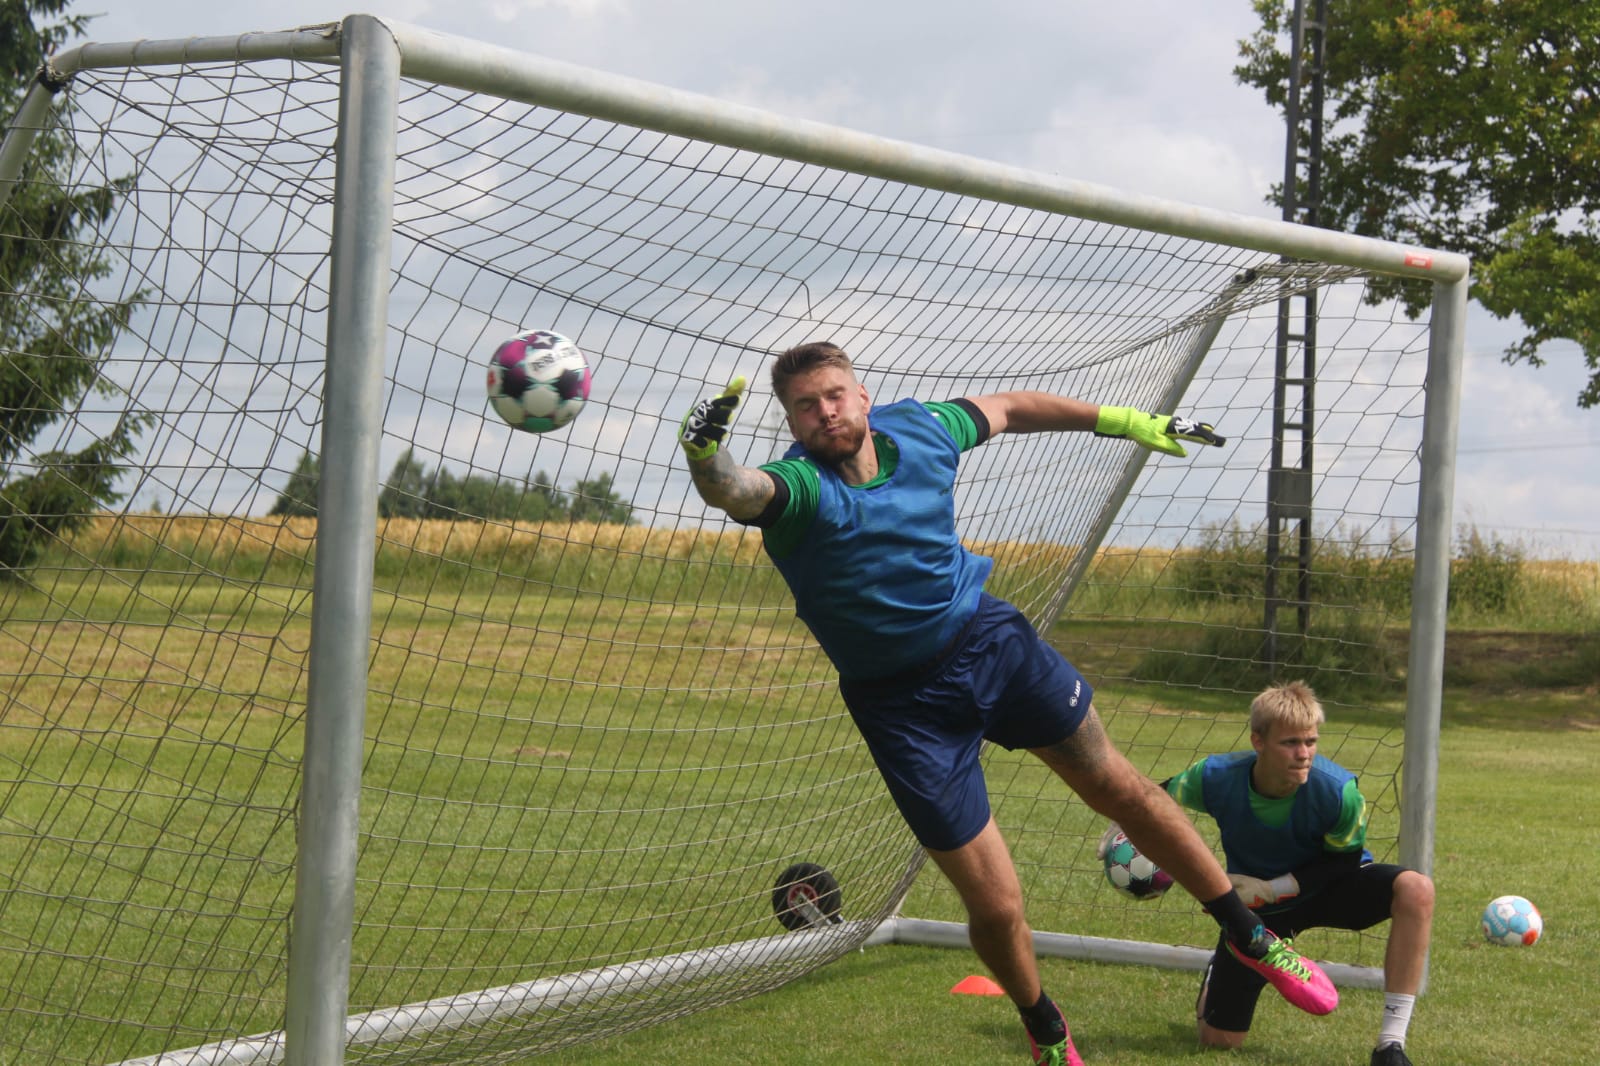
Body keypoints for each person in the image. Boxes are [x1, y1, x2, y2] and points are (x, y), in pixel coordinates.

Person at [677, 341, 1337, 1065]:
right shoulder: (801, 488)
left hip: (992, 647)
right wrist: (705, 455)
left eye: (835, 395)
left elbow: (1015, 408)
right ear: (792, 422)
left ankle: (1249, 935)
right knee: (995, 905)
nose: (825, 412)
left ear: (863, 396)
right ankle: (1045, 1027)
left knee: (1122, 787)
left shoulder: (923, 427)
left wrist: (1124, 420)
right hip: (903, 710)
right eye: (806, 406)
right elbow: (737, 490)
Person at [1164, 680, 1435, 1066]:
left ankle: (1390, 1045)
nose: (1304, 753)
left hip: (1329, 887)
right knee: (1220, 1041)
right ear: (1258, 741)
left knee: (1416, 889)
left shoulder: (1338, 790)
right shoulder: (1215, 776)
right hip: (1261, 915)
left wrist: (1271, 888)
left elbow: (1343, 862)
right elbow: (1153, 799)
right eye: (1290, 742)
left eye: (1310, 741)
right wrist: (1123, 830)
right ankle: (1219, 973)